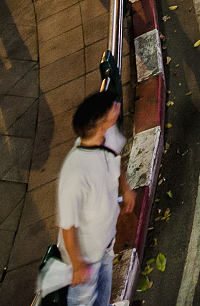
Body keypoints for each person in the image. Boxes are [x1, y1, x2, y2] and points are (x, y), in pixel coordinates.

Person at [57, 88, 132, 306]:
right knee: (83, 301)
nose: (117, 107)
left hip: (106, 242)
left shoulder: (109, 134)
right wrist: (77, 264)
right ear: (101, 124)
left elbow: (116, 158)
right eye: (113, 108)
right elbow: (67, 226)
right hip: (86, 258)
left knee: (104, 292)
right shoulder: (75, 174)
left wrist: (125, 189)